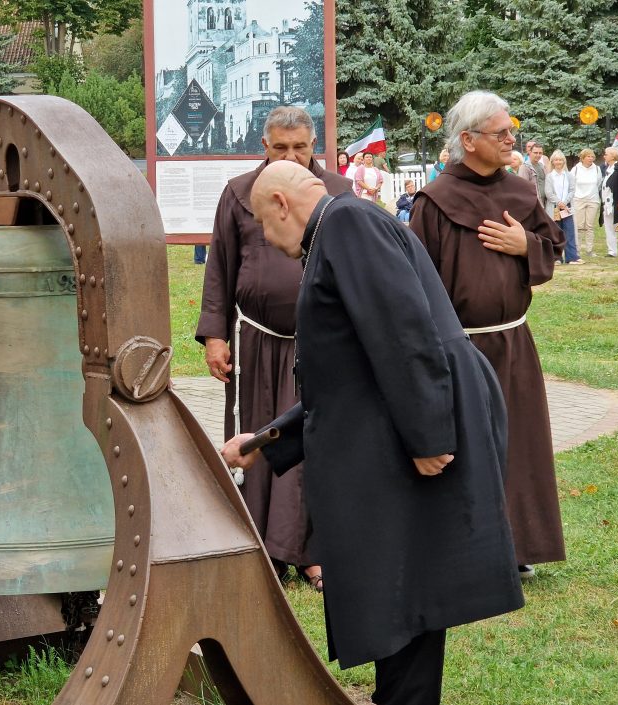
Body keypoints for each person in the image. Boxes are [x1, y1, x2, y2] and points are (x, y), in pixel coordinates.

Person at [222, 160, 523, 705]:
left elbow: (405, 333)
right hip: (399, 428)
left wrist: (430, 438)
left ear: (282, 206)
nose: (268, 239)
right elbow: (351, 371)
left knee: (406, 593)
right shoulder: (344, 225)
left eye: (264, 226)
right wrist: (264, 441)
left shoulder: (347, 225)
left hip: (413, 436)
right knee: (402, 594)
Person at [410, 90, 566, 580]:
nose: (510, 139)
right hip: (458, 348)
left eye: (510, 130)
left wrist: (526, 245)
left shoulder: (520, 193)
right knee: (463, 445)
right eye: (501, 133)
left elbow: (552, 248)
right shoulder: (434, 202)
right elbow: (414, 279)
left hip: (513, 341)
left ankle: (517, 546)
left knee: (518, 445)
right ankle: (462, 549)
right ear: (468, 140)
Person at [196, 106, 350, 590]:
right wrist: (216, 335)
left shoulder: (339, 195)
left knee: (317, 444)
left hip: (320, 343)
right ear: (264, 146)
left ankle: (312, 552)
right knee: (257, 440)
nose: (290, 156)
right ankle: (258, 546)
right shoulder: (240, 193)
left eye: (299, 147)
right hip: (258, 342)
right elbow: (219, 265)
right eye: (280, 147)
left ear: (313, 146)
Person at [545, 149, 582, 264]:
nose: (558, 162)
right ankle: (556, 257)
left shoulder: (569, 176)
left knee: (569, 231)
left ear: (564, 161)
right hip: (554, 207)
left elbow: (572, 190)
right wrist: (559, 202)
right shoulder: (550, 176)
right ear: (552, 162)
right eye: (556, 160)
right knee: (556, 233)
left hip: (567, 207)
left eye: (560, 159)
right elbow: (548, 193)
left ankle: (571, 257)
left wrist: (565, 202)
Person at [570, 148, 602, 257]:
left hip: (593, 200)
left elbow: (598, 184)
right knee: (579, 226)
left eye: (592, 156)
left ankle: (589, 250)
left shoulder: (597, 169)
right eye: (588, 156)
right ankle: (577, 249)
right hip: (578, 199)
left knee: (589, 226)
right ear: (582, 158)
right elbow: (572, 184)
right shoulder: (576, 169)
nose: (590, 158)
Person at [518, 141, 547, 208]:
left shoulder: (541, 166)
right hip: (534, 203)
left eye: (540, 153)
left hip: (544, 202)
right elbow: (523, 188)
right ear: (530, 152)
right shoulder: (524, 167)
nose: (538, 155)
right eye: (535, 153)